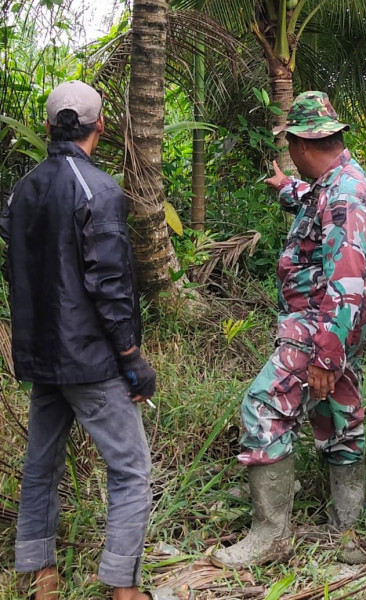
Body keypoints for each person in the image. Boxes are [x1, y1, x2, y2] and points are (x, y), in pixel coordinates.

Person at [0, 80, 157, 600]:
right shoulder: (100, 189)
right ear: (102, 127)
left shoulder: (22, 190)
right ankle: (122, 588)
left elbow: (17, 269)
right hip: (90, 360)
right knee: (131, 469)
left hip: (41, 356)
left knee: (41, 464)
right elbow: (109, 284)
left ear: (47, 128)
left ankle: (38, 577)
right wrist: (131, 355)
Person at [211, 91, 366, 569]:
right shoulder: (335, 183)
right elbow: (315, 204)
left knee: (263, 407)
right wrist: (287, 187)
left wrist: (326, 356)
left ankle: (271, 534)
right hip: (338, 326)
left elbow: (347, 279)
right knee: (340, 416)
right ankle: (348, 524)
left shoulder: (344, 195)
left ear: (301, 144)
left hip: (320, 326)